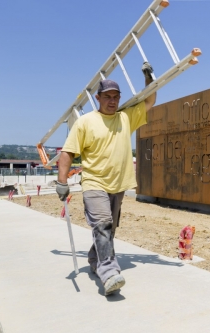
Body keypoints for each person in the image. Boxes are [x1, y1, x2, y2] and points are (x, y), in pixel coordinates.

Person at [56, 62, 156, 296]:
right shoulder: (85, 122)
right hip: (94, 183)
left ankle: (94, 258)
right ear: (99, 98)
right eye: (107, 97)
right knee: (102, 224)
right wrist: (62, 182)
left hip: (118, 184)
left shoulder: (125, 118)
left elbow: (149, 101)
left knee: (109, 230)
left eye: (116, 97)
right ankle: (109, 272)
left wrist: (149, 79)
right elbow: (67, 152)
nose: (112, 101)